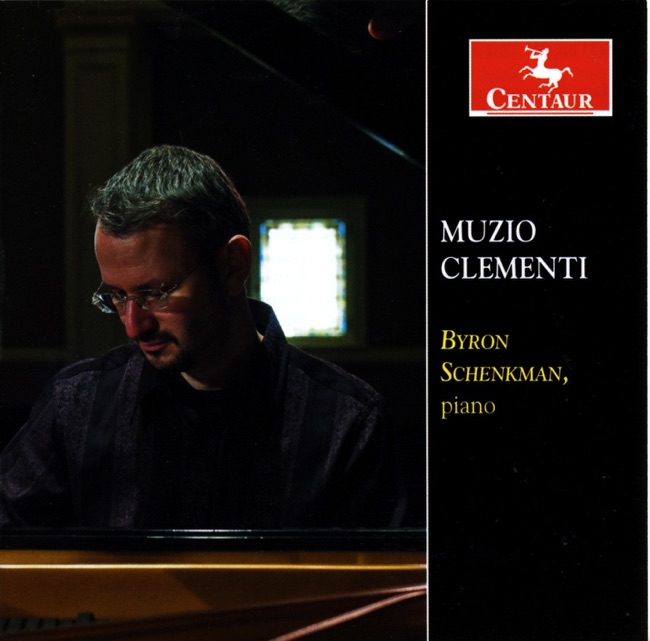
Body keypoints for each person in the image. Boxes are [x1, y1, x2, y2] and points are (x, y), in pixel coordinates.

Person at [0, 145, 406, 529]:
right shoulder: (75, 405)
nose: (132, 326)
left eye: (155, 293)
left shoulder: (348, 423)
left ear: (232, 265)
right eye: (117, 297)